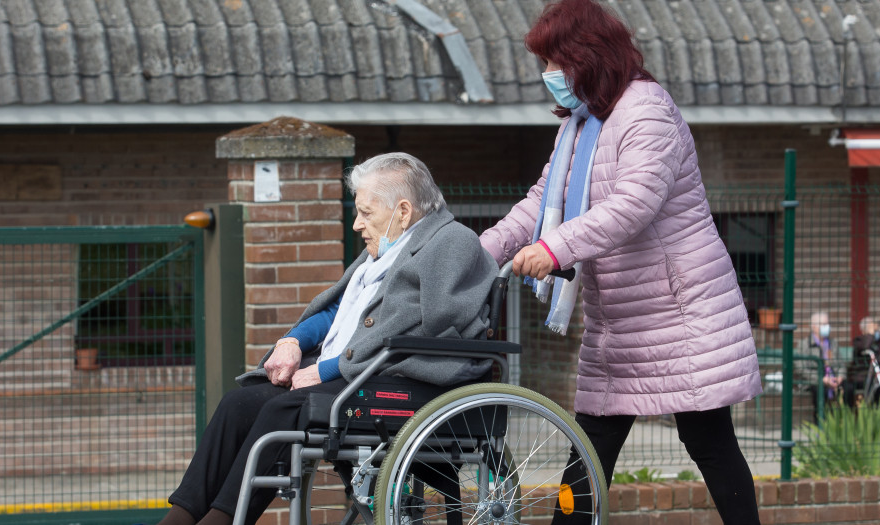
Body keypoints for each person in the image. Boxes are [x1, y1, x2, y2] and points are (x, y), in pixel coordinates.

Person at [477, 1, 761, 523]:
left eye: (552, 62)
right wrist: (476, 256)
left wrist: (552, 248)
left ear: (586, 55)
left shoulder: (646, 110)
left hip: (680, 312)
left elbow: (633, 205)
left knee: (709, 441)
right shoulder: (579, 126)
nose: (546, 76)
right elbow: (542, 201)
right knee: (589, 448)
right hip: (620, 320)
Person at [156, 153, 497, 525]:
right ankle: (181, 516)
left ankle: (221, 520)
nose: (356, 224)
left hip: (411, 382)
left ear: (403, 210)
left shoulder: (452, 242)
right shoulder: (385, 251)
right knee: (239, 403)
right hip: (362, 374)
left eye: (366, 213)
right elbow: (340, 311)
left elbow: (430, 329)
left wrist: (330, 368)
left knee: (281, 411)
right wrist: (294, 341)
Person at [796, 312, 843, 417]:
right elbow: (801, 368)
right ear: (814, 327)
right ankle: (821, 424)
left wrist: (840, 376)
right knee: (820, 390)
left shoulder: (833, 343)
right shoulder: (804, 344)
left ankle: (843, 422)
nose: (827, 327)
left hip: (833, 378)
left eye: (827, 324)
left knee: (848, 388)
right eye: (823, 324)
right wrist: (822, 379)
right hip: (814, 380)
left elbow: (841, 364)